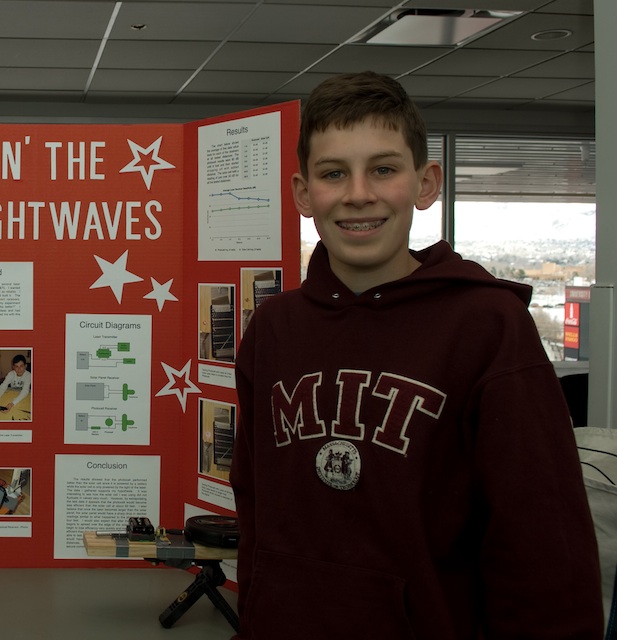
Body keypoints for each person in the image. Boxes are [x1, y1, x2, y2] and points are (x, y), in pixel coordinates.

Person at [230, 71, 602, 639]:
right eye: (334, 173)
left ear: (425, 184)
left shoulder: (488, 326)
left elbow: (543, 545)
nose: (359, 193)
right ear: (304, 194)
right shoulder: (273, 330)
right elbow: (254, 507)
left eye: (383, 169)